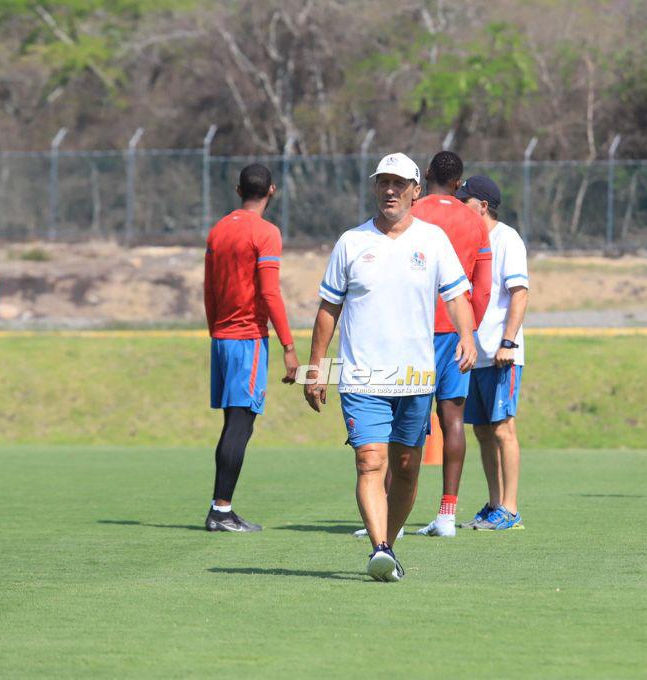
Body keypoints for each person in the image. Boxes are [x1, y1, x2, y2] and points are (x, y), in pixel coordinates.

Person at [304, 152, 477, 582]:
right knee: (369, 461)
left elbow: (457, 296)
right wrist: (316, 368)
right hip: (362, 376)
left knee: (406, 467)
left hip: (415, 377)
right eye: (383, 182)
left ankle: (389, 546)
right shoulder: (351, 243)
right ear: (375, 187)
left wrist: (468, 337)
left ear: (416, 191)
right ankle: (379, 547)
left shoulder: (433, 240)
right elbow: (329, 308)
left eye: (400, 183)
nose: (390, 190)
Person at [202, 163, 299, 532]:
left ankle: (220, 507)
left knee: (233, 423)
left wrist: (215, 330)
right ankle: (221, 511)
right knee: (241, 425)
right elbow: (270, 292)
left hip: (223, 338)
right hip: (248, 339)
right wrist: (288, 346)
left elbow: (209, 289)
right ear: (272, 190)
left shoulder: (218, 230)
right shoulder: (266, 232)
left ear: (238, 189)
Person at [410, 151, 492, 537]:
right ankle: (447, 515)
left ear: (426, 174)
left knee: (403, 419)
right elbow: (484, 286)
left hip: (413, 331)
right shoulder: (474, 221)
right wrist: (468, 330)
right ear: (460, 184)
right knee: (453, 419)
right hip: (457, 332)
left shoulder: (413, 212)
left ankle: (388, 507)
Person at [457, 175, 528, 530]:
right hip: (475, 355)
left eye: (465, 199)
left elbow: (519, 293)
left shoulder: (507, 239)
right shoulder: (468, 241)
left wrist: (509, 342)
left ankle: (511, 510)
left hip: (501, 353)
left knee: (503, 429)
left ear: (483, 206)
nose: (459, 204)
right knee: (482, 432)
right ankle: (494, 503)